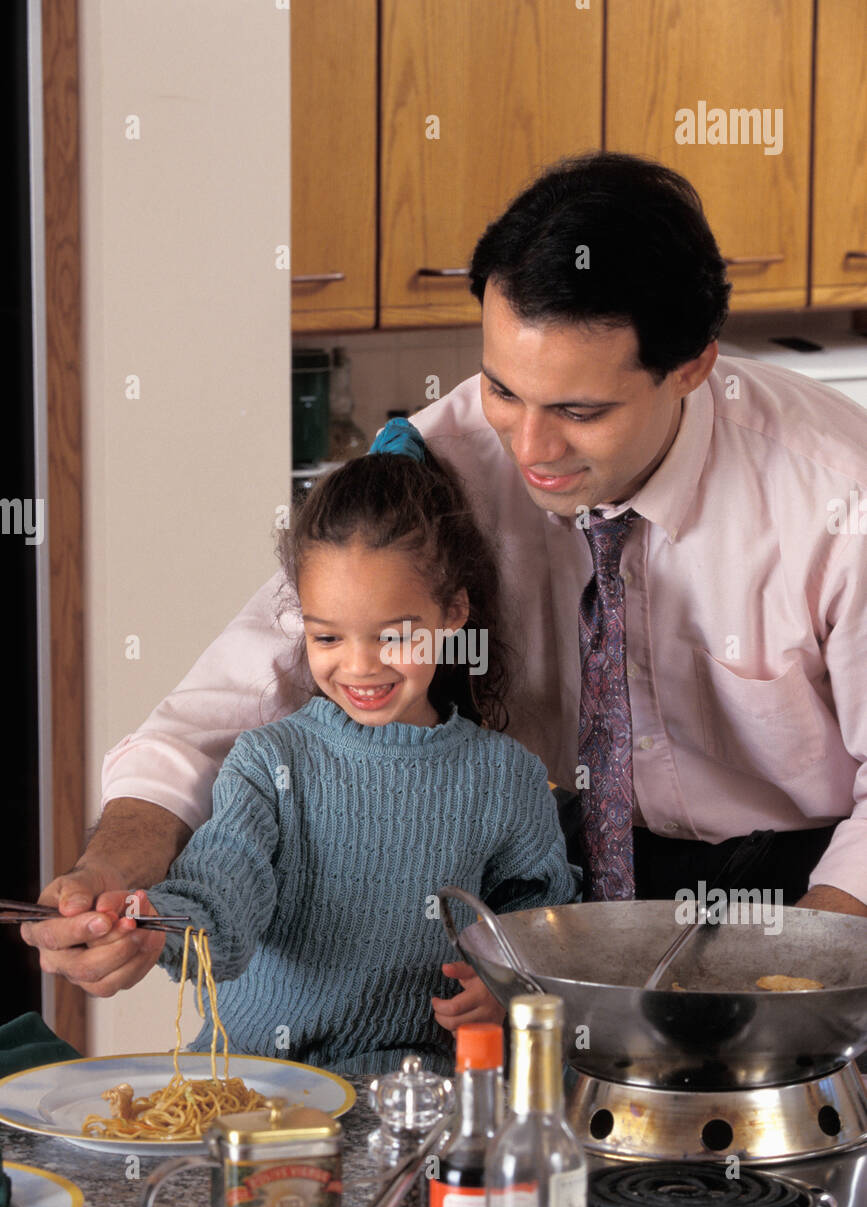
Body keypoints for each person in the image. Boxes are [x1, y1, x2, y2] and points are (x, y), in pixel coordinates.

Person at [26, 151, 867, 999]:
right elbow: (243, 685)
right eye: (503, 390)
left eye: (580, 411)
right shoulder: (444, 462)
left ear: (690, 367)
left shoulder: (839, 495)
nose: (530, 451)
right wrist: (114, 862)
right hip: (558, 883)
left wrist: (798, 977)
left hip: (804, 889)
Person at [84, 426, 575, 1073]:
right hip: (254, 1089)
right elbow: (219, 900)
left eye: (392, 636)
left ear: (453, 611)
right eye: (328, 638)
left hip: (410, 1095)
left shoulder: (505, 777)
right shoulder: (267, 762)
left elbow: (538, 926)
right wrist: (149, 926)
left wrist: (510, 987)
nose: (359, 667)